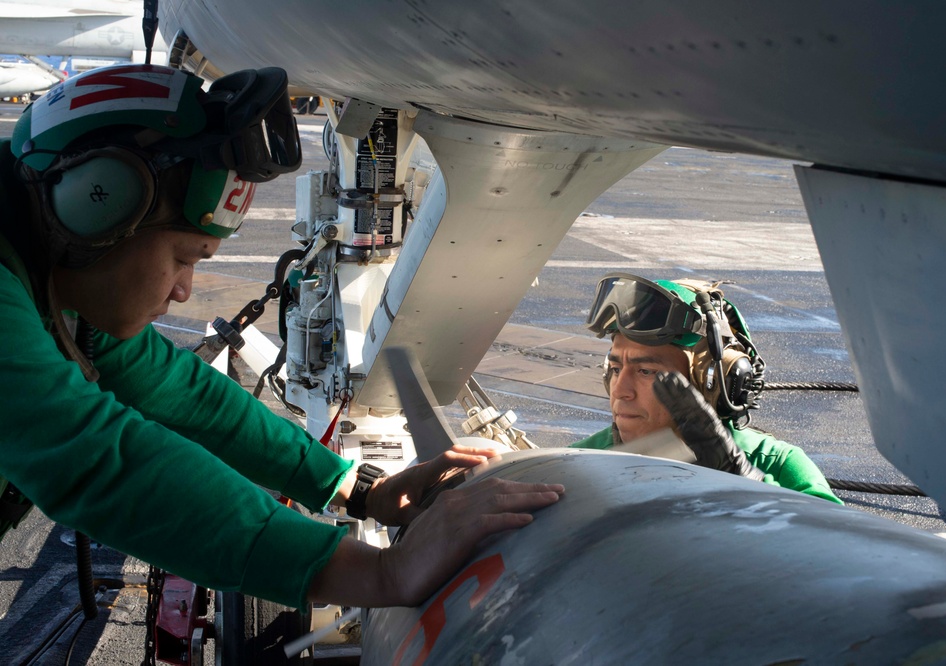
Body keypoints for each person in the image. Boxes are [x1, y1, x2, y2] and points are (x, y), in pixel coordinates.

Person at [0, 63, 563, 612]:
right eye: (183, 257)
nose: (182, 292)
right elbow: (97, 460)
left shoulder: (40, 260)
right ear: (95, 205)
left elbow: (173, 389)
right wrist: (380, 573)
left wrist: (359, 489)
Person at [572, 272, 841, 504]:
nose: (620, 390)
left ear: (710, 382)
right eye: (616, 369)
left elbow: (839, 546)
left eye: (646, 371)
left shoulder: (776, 464)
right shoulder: (576, 464)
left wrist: (743, 481)